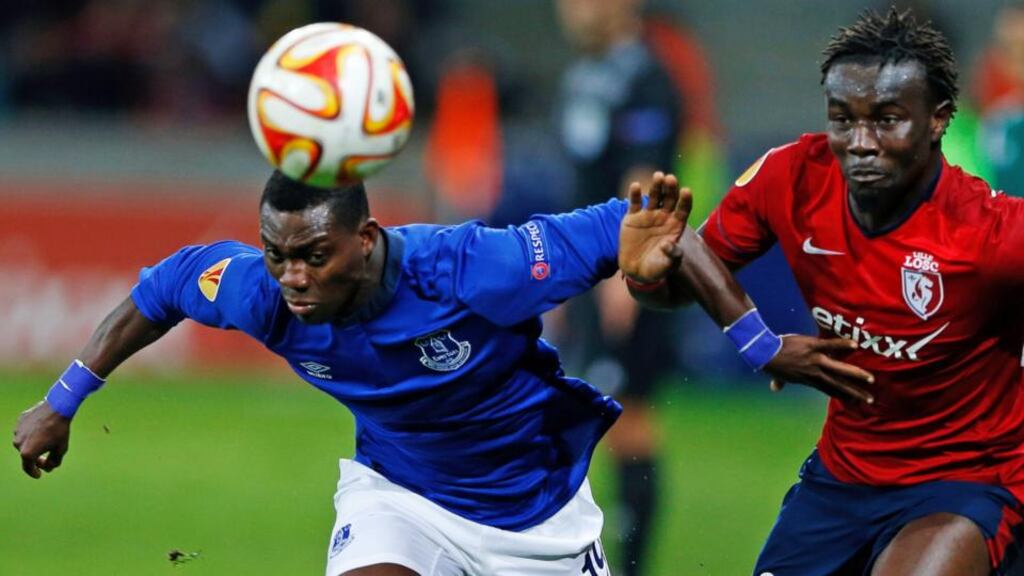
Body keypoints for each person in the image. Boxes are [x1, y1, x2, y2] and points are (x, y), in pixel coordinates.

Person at [13, 169, 872, 576]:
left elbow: (647, 231)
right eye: (278, 257)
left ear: (367, 237)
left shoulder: (474, 270)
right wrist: (62, 401)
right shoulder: (261, 294)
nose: (293, 277)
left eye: (313, 255)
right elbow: (158, 292)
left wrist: (756, 340)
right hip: (401, 501)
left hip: (535, 520)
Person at [620, 8, 1024, 575]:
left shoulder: (991, 233)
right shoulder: (790, 178)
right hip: (843, 481)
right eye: (843, 119)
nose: (860, 143)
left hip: (965, 481)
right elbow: (682, 282)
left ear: (938, 120)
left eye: (887, 120)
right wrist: (647, 276)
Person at [554, 1, 682, 572]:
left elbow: (645, 177)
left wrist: (625, 271)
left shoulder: (648, 77)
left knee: (629, 415)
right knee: (583, 403)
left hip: (627, 271)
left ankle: (631, 564)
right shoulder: (584, 74)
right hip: (585, 274)